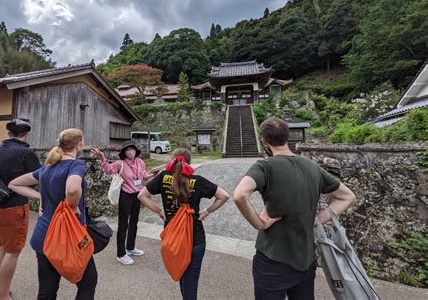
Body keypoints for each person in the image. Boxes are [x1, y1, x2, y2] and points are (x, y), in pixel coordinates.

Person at [234, 117, 356, 300]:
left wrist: (259, 224)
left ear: (264, 141)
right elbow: (348, 196)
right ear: (287, 137)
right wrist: (317, 220)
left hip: (272, 259)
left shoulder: (265, 166)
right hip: (306, 260)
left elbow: (239, 195)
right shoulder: (312, 167)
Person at [9, 128, 97, 300]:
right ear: (79, 144)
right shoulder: (75, 165)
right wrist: (72, 206)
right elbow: (72, 188)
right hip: (68, 238)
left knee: (47, 291)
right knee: (87, 283)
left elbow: (14, 184)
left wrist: (41, 196)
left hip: (43, 238)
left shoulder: (47, 168)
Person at [138, 148, 229, 300]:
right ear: (189, 161)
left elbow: (142, 195)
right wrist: (207, 211)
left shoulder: (163, 177)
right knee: (191, 282)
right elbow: (224, 196)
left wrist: (159, 211)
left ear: (173, 160)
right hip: (195, 239)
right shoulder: (197, 181)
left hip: (172, 238)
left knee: (181, 274)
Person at [0, 119, 41, 300]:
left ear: (9, 133)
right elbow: (40, 176)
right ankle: (3, 297)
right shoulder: (26, 153)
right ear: (26, 134)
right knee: (12, 252)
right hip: (14, 206)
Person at [91, 140, 156, 265]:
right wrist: (102, 157)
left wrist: (151, 175)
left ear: (135, 151)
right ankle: (121, 254)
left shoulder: (141, 162)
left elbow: (142, 176)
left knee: (134, 222)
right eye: (127, 149)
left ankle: (130, 247)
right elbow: (108, 169)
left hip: (138, 195)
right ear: (124, 152)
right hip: (125, 196)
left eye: (132, 149)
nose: (130, 151)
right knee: (123, 224)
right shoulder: (120, 163)